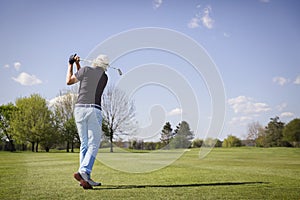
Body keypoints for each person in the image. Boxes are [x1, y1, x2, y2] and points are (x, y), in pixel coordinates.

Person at [66, 53, 108, 189]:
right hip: (93, 110)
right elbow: (85, 75)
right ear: (105, 66)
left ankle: (85, 179)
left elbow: (70, 80)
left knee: (84, 144)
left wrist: (71, 64)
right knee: (93, 144)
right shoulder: (105, 77)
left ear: (95, 62)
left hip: (79, 110)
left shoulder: (86, 70)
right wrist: (77, 65)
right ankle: (84, 171)